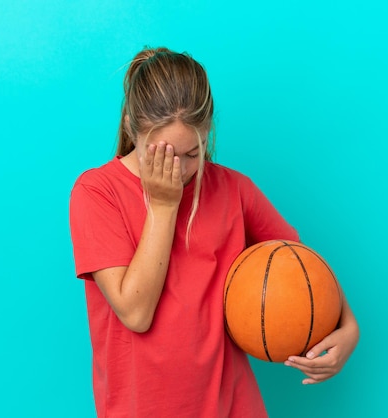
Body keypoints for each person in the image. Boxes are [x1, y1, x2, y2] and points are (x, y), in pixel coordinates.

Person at [69, 46, 359, 418]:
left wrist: (348, 328)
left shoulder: (235, 190)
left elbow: (301, 266)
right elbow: (136, 313)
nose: (181, 169)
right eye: (163, 155)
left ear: (208, 132)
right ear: (130, 127)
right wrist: (163, 205)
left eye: (192, 153)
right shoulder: (96, 193)